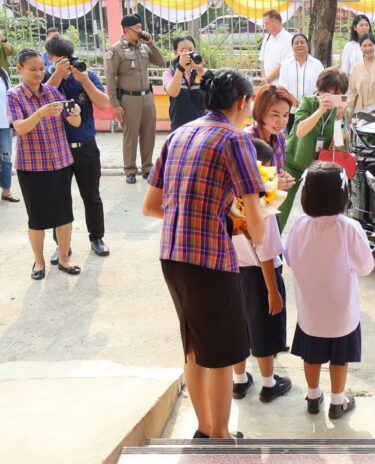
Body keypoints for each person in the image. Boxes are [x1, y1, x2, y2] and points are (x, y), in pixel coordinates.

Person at [142, 68, 266, 439]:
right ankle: (222, 436)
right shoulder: (235, 139)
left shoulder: (179, 134)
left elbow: (152, 205)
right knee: (223, 353)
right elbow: (257, 224)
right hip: (210, 259)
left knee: (195, 346)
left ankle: (206, 427)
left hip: (172, 255)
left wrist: (211, 212)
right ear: (242, 102)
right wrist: (241, 223)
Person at [285, 161, 375, 419]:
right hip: (341, 309)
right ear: (343, 194)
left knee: (311, 354)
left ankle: (313, 396)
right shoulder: (348, 228)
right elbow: (366, 266)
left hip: (310, 308)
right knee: (339, 357)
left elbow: (290, 257)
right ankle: (338, 402)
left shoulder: (300, 224)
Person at [8, 48, 82, 279]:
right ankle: (39, 263)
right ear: (20, 69)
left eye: (41, 69)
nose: (38, 74)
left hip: (60, 162)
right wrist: (40, 113)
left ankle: (63, 260)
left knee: (64, 215)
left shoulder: (52, 92)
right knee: (37, 218)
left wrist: (75, 113)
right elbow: (20, 128)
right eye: (33, 70)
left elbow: (76, 123)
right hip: (31, 166)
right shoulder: (13, 96)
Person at [230, 139, 292, 403]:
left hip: (231, 273)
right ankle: (269, 384)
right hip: (258, 277)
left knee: (237, 328)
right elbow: (266, 255)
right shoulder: (262, 205)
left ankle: (240, 381)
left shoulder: (226, 196)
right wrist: (273, 291)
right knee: (263, 327)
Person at [44, 35, 111, 262]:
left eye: (68, 59)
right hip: (57, 149)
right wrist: (56, 75)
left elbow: (104, 103)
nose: (67, 64)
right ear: (50, 58)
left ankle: (97, 238)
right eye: (59, 60)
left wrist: (84, 80)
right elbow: (38, 101)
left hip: (86, 147)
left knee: (91, 195)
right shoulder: (46, 77)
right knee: (58, 198)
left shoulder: (86, 75)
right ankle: (61, 245)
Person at [278, 67, 350, 231]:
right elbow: (300, 131)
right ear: (320, 89)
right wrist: (320, 110)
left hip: (319, 170)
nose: (329, 97)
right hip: (294, 163)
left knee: (319, 214)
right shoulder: (309, 102)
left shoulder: (341, 110)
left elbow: (340, 146)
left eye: (335, 93)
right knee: (280, 211)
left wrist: (340, 118)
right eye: (326, 92)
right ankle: (273, 253)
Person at [105, 14, 166, 184]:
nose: (140, 31)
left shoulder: (143, 47)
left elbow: (161, 62)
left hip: (147, 96)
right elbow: (110, 80)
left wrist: (150, 43)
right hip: (128, 99)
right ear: (126, 30)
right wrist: (115, 105)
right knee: (130, 136)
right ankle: (130, 169)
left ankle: (147, 168)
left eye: (140, 27)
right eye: (137, 28)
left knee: (148, 134)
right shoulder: (115, 51)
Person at [244, 85, 297, 193]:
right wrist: (273, 183)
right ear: (261, 111)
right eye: (275, 115)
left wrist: (282, 176)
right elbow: (242, 182)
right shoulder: (246, 140)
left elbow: (276, 171)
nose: (281, 121)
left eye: (285, 115)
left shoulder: (280, 137)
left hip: (270, 202)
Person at [278, 33, 324, 131]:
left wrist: (308, 103)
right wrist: (298, 104)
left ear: (307, 45)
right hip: (292, 111)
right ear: (292, 47)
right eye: (296, 43)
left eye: (302, 42)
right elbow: (283, 88)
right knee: (293, 139)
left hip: (312, 110)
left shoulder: (317, 64)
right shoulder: (286, 65)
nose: (299, 45)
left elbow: (321, 86)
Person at [162, 35, 206, 131]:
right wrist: (180, 69)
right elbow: (173, 92)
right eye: (182, 50)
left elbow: (213, 91)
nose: (187, 53)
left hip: (202, 124)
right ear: (175, 53)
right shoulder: (169, 73)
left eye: (190, 49)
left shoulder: (202, 71)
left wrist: (199, 69)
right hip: (179, 125)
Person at [259, 9, 293, 86]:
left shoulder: (288, 39)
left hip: (281, 86)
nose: (265, 27)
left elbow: (284, 66)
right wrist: (265, 79)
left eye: (266, 23)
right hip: (268, 85)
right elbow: (262, 60)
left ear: (275, 23)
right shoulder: (267, 37)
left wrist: (267, 80)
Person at [0, 66, 18, 203]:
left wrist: (14, 123)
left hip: (5, 124)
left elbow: (10, 97)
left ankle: (6, 191)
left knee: (6, 158)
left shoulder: (3, 73)